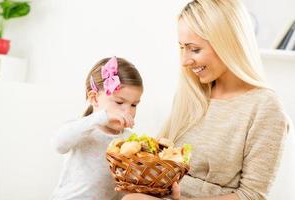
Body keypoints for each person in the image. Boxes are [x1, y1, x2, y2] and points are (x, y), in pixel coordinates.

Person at [122, 0, 289, 200]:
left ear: (227, 43)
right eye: (182, 47)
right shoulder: (192, 94)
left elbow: (252, 195)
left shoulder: (265, 107)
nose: (185, 60)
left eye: (194, 49)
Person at [50, 56, 144, 200]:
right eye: (119, 102)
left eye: (133, 105)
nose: (128, 111)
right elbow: (59, 145)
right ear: (94, 98)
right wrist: (102, 117)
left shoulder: (128, 142)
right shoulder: (84, 129)